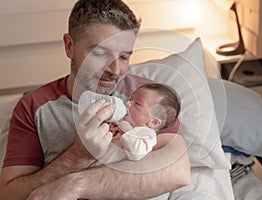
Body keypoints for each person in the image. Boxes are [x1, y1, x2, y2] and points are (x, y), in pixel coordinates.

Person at [0, 0, 190, 199]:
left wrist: (76, 184)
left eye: (124, 57)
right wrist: (78, 156)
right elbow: (9, 195)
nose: (115, 70)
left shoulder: (147, 96)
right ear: (69, 46)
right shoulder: (35, 106)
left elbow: (178, 171)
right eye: (100, 53)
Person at [96, 82, 181, 164]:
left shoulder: (147, 135)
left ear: (154, 122)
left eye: (137, 104)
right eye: (130, 99)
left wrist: (127, 131)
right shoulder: (122, 120)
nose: (128, 103)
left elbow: (137, 154)